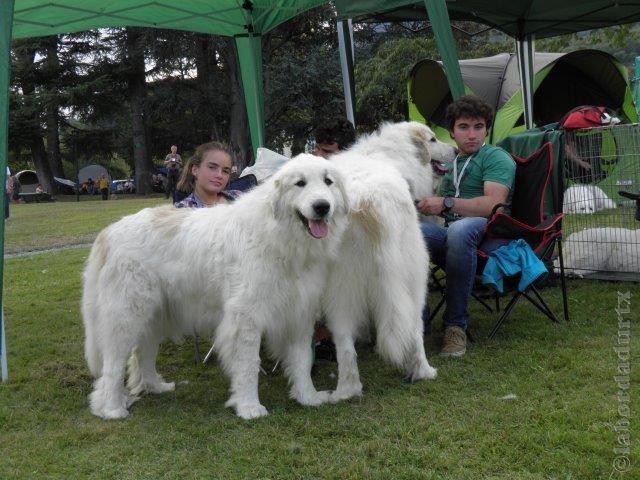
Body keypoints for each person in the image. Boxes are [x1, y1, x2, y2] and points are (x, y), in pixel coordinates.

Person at [416, 95, 516, 357]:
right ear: (451, 131)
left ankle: (455, 327)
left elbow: (493, 205)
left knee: (460, 230)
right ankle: (418, 322)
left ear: (487, 129)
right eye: (463, 127)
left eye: (478, 127)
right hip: (452, 236)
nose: (472, 134)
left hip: (491, 235)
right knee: (411, 233)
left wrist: (445, 203)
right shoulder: (449, 164)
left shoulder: (496, 157)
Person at [174, 141, 241, 208]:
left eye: (226, 171)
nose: (219, 175)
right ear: (195, 170)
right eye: (212, 167)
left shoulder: (239, 196)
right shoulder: (182, 210)